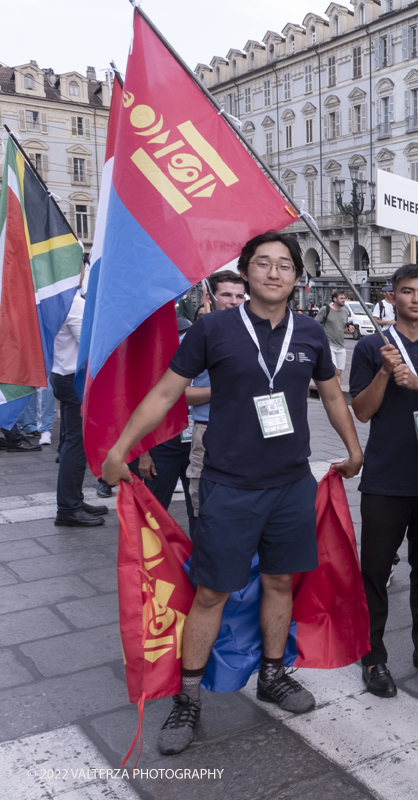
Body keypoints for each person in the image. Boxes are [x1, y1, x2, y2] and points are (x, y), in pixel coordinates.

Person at [101, 231, 364, 756]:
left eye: (283, 265)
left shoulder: (310, 333)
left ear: (297, 276)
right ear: (245, 273)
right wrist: (121, 449)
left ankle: (272, 674)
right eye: (262, 264)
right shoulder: (212, 328)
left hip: (290, 483)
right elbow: (166, 392)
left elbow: (333, 396)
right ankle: (189, 698)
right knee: (211, 592)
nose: (273, 273)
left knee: (280, 584)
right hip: (228, 485)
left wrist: (354, 449)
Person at [351, 264, 418, 697]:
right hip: (385, 477)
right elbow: (361, 410)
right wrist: (383, 372)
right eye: (407, 291)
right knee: (375, 571)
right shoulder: (370, 346)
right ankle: (373, 657)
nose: (416, 299)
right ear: (391, 296)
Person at [185, 271, 246, 523]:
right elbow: (181, 394)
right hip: (208, 432)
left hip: (251, 434)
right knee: (207, 514)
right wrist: (223, 389)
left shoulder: (261, 335)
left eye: (240, 296)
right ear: (210, 297)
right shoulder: (198, 337)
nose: (234, 301)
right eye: (226, 295)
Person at [51, 272, 107, 526]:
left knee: (70, 441)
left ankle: (72, 499)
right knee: (76, 444)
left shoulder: (55, 299)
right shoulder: (72, 302)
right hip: (76, 379)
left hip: (63, 375)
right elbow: (89, 344)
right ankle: (68, 508)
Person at [135, 316, 198, 531]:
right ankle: (149, 561)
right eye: (181, 336)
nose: (184, 341)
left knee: (198, 512)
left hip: (195, 451)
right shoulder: (155, 368)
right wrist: (144, 454)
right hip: (162, 452)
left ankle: (199, 560)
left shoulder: (204, 365)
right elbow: (141, 412)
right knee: (154, 514)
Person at [316, 290, 351, 381]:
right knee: (333, 371)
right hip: (329, 345)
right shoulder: (326, 309)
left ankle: (337, 394)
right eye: (341, 298)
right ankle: (329, 394)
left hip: (341, 346)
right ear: (334, 299)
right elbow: (316, 324)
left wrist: (349, 331)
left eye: (344, 298)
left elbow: (343, 329)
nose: (344, 300)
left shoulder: (345, 312)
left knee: (339, 372)